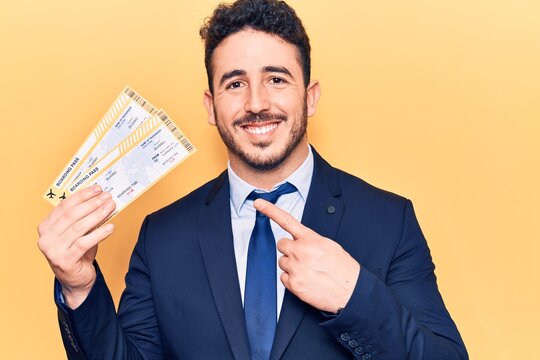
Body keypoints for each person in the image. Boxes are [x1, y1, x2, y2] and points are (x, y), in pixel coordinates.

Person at [37, 0, 468, 359]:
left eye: (276, 79)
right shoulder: (162, 236)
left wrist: (354, 297)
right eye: (235, 84)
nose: (256, 103)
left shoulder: (389, 220)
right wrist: (80, 287)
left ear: (310, 96)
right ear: (211, 105)